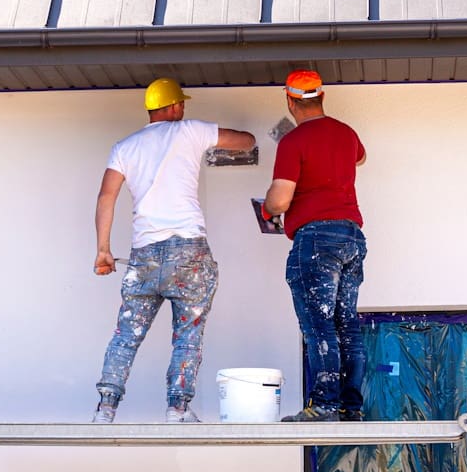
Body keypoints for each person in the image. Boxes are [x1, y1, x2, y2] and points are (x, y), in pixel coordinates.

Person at [92, 77, 256, 424]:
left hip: (144, 255)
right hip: (188, 253)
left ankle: (106, 408)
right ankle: (177, 409)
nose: (184, 109)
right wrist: (225, 138)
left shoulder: (125, 147)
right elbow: (246, 141)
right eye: (181, 104)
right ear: (172, 107)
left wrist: (103, 250)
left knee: (126, 334)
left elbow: (106, 196)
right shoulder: (190, 131)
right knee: (188, 332)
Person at [262, 69, 367, 422]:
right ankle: (350, 407)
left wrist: (267, 207)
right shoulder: (346, 133)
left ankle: (323, 405)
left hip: (316, 239)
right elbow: (360, 158)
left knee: (318, 323)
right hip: (351, 236)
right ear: (321, 97)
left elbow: (279, 200)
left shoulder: (293, 142)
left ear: (290, 100)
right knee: (346, 323)